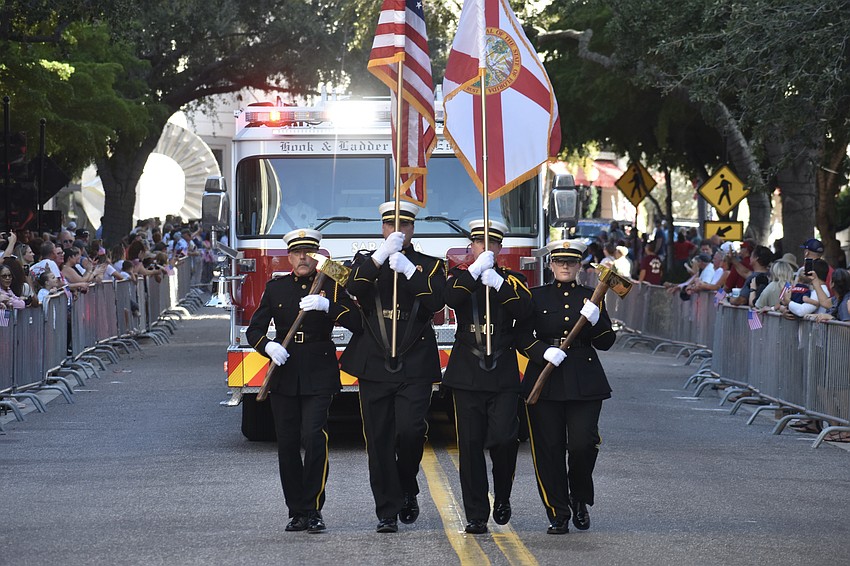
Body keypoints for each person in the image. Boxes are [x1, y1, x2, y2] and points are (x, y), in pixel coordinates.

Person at [339, 201, 446, 534]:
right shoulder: (365, 261)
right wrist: (381, 257)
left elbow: (436, 302)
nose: (397, 231)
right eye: (390, 226)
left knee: (410, 431)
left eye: (404, 226)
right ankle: (387, 510)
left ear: (413, 229)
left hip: (414, 360)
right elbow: (352, 287)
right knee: (379, 439)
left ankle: (407, 485)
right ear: (382, 228)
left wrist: (410, 272)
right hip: (374, 361)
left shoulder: (430, 265)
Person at [245, 228, 360, 534]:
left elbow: (357, 321)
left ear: (316, 255)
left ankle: (313, 508)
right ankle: (295, 510)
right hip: (285, 371)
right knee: (287, 443)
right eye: (296, 253)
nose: (302, 258)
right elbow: (253, 330)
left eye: (308, 253)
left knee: (313, 437)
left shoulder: (332, 283)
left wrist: (329, 307)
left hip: (319, 369)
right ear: (289, 257)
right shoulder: (276, 288)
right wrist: (268, 347)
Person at [516, 239, 616, 535]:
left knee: (583, 443)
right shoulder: (536, 297)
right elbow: (520, 336)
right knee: (549, 450)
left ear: (579, 266)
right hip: (545, 376)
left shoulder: (592, 296)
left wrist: (596, 320)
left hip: (584, 378)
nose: (565, 266)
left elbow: (606, 342)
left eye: (571, 262)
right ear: (550, 264)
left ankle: (579, 497)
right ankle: (558, 511)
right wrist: (540, 351)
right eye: (559, 261)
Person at [442, 219, 531, 534]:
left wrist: (498, 283)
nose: (486, 248)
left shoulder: (512, 280)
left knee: (506, 438)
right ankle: (476, 513)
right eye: (480, 243)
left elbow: (525, 311)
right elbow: (451, 300)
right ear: (472, 246)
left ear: (500, 247)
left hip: (502, 371)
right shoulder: (458, 277)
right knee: (470, 445)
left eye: (492, 244)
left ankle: (503, 495)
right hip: (467, 371)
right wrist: (476, 271)